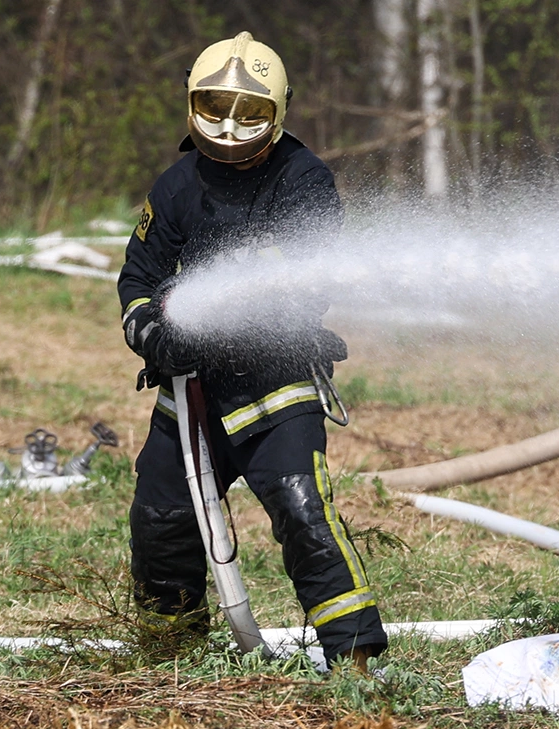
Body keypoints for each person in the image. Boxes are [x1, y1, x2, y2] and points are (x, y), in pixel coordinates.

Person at [117, 31, 387, 671]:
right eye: (215, 107)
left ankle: (357, 664)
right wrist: (154, 331)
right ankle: (170, 655)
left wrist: (211, 318)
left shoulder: (303, 178)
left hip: (277, 388)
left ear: (280, 112)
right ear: (191, 102)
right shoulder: (177, 184)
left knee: (302, 510)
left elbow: (307, 278)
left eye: (251, 113)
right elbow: (137, 278)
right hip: (190, 402)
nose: (231, 127)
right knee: (161, 519)